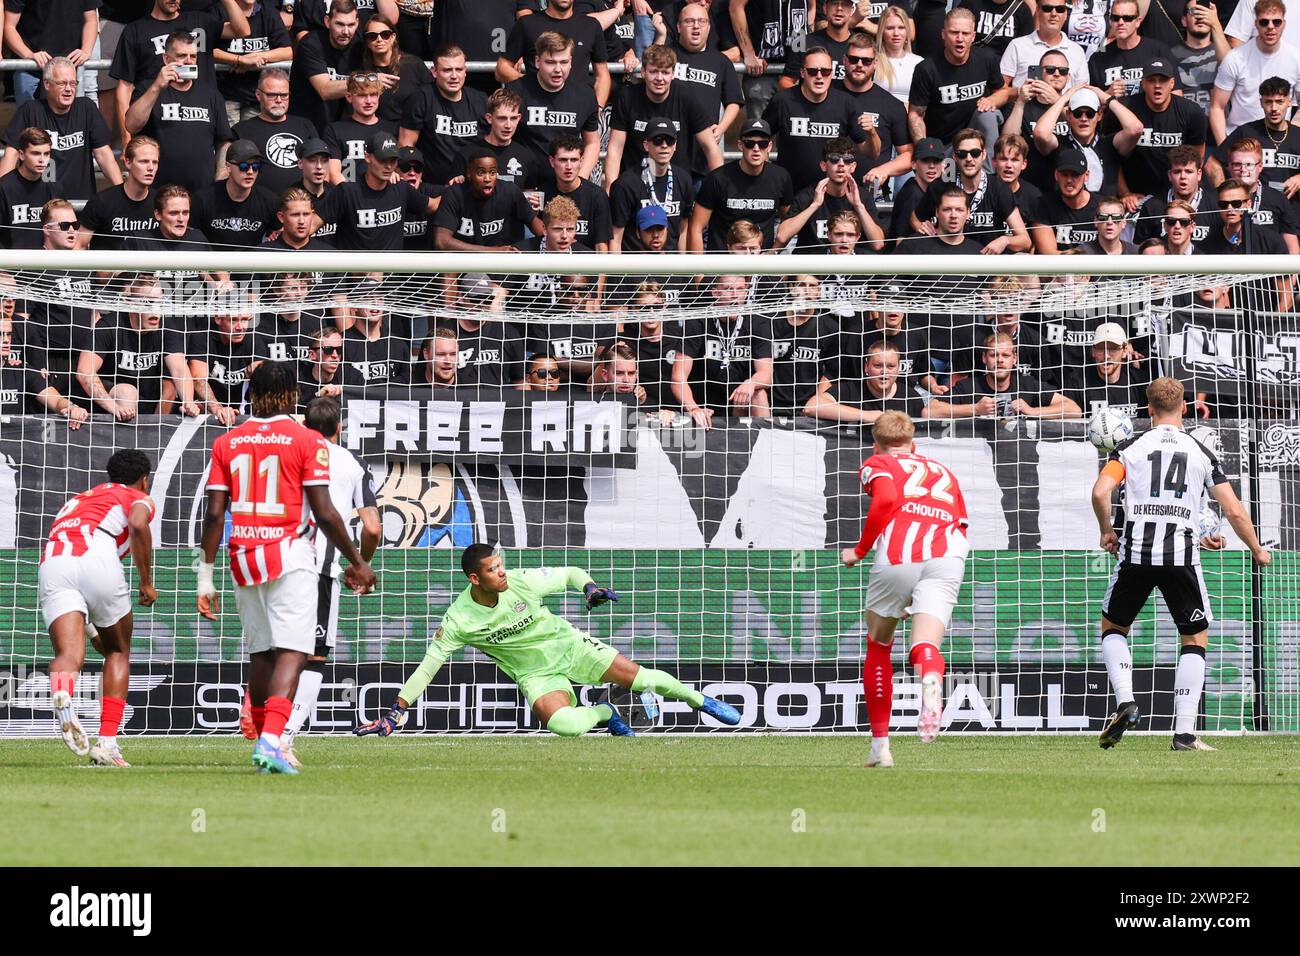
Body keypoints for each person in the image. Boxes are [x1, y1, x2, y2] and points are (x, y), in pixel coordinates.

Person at [356, 544, 741, 738]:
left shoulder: (521, 581)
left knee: (642, 680)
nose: (502, 572)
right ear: (475, 578)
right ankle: (607, 714)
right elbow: (429, 666)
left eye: (501, 564)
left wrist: (589, 587)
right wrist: (397, 711)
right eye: (493, 570)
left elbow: (571, 571)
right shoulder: (459, 619)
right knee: (564, 727)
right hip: (536, 675)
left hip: (570, 647)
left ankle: (700, 700)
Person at [198, 361, 377, 774]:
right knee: (295, 650)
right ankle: (273, 739)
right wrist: (357, 562)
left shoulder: (228, 442)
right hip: (290, 554)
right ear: (294, 395)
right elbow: (326, 512)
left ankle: (264, 738)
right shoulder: (306, 440)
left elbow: (213, 516)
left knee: (261, 652)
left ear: (253, 396)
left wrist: (204, 578)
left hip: (242, 556)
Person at [1090, 377, 1270, 752]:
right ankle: (1185, 734)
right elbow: (1234, 509)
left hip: (1136, 554)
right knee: (1194, 638)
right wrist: (1257, 549)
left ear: (1149, 411)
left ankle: (1125, 701)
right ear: (1184, 408)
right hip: (1180, 558)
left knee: (1113, 627)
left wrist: (1108, 531)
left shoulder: (1131, 447)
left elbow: (1100, 491)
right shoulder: (1199, 451)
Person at [840, 411, 970, 768]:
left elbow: (884, 500)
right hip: (947, 555)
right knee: (925, 645)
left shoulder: (877, 462)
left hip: (899, 555)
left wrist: (859, 550)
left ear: (876, 443)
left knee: (879, 644)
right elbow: (961, 523)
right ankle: (930, 678)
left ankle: (881, 747)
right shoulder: (943, 471)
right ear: (914, 443)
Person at [279, 396, 381, 770]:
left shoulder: (287, 452)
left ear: (305, 425)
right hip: (316, 568)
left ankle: (263, 719)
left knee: (276, 650)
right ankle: (282, 738)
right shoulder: (350, 463)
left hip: (270, 560)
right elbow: (372, 526)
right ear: (339, 428)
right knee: (314, 656)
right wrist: (362, 564)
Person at [41, 450, 156, 767]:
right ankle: (107, 744)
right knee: (119, 652)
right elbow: (137, 524)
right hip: (98, 557)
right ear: (144, 479)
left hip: (53, 562)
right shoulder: (136, 496)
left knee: (68, 655)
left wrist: (89, 626)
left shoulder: (79, 499)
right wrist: (146, 581)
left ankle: (63, 692)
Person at [110, 0, 251, 143]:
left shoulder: (199, 21)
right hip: (158, 125)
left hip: (202, 117)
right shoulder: (135, 31)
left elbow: (243, 31)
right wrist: (126, 138)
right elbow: (124, 87)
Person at [124, 30, 234, 194]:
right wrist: (157, 87)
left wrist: (220, 177)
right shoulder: (147, 88)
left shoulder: (211, 94)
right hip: (158, 192)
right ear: (166, 59)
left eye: (193, 56)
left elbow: (224, 141)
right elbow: (131, 125)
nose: (189, 61)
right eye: (182, 56)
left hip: (202, 192)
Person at [76, 272, 198, 420]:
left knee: (169, 387)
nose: (155, 312)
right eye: (147, 303)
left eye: (159, 303)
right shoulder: (109, 326)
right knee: (127, 392)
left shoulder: (165, 326)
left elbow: (179, 370)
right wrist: (114, 407)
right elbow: (84, 372)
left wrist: (188, 402)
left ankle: (151, 434)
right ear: (130, 302)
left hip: (147, 399)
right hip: (111, 402)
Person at [0, 57, 119, 203]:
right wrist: (2, 195)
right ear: (47, 84)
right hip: (41, 205)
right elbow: (10, 155)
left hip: (80, 202)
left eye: (73, 83)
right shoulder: (30, 110)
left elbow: (104, 155)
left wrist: (122, 193)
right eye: (62, 83)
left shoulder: (86, 108)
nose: (69, 89)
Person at [763, 45, 869, 191]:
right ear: (802, 73)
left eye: (825, 71)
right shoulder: (783, 101)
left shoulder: (847, 104)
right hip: (790, 193)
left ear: (831, 74)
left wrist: (872, 133)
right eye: (813, 71)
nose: (819, 76)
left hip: (832, 193)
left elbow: (872, 152)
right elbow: (760, 138)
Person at [908, 8, 1008, 164]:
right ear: (943, 34)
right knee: (946, 182)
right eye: (954, 33)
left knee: (988, 115)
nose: (960, 38)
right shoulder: (926, 69)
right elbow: (916, 115)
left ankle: (989, 173)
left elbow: (1003, 91)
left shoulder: (986, 58)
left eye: (965, 34)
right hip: (944, 144)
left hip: (975, 139)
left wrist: (992, 100)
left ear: (973, 36)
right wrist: (925, 150)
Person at [671, 273, 771, 427]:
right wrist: (693, 408)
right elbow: (678, 377)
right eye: (729, 289)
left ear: (746, 292)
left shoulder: (758, 322)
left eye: (740, 289)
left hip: (739, 402)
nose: (735, 295)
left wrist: (750, 383)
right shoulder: (697, 322)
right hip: (703, 403)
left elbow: (767, 374)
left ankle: (766, 444)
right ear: (715, 293)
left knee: (759, 392)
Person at [910, 129, 1028, 253]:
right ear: (954, 157)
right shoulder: (940, 186)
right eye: (962, 154)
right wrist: (921, 226)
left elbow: (1025, 240)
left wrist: (1005, 240)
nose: (969, 158)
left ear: (984, 155)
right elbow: (914, 217)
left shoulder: (999, 189)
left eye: (975, 153)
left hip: (988, 264)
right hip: (950, 263)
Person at [316, 131, 439, 250]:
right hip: (354, 269)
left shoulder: (401, 188)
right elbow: (311, 224)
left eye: (393, 160)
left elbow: (433, 205)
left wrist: (456, 187)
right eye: (382, 160)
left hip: (392, 270)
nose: (389, 166)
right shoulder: (347, 191)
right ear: (367, 157)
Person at [688, 118, 793, 250]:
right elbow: (696, 227)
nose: (756, 148)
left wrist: (773, 252)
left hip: (762, 265)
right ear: (740, 145)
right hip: (722, 265)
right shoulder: (717, 178)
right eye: (749, 143)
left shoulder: (781, 177)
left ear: (770, 147)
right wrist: (699, 270)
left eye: (762, 144)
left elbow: (788, 223)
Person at [508, 32, 601, 179]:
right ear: (537, 61)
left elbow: (593, 143)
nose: (558, 69)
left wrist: (579, 179)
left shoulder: (585, 96)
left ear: (571, 62)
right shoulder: (515, 91)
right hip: (524, 182)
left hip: (566, 183)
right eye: (550, 62)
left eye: (563, 62)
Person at [926, 331, 1081, 419]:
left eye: (1005, 356)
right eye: (994, 355)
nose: (1000, 360)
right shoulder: (970, 386)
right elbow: (928, 411)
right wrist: (976, 409)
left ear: (1015, 359)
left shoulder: (1027, 385)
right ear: (984, 358)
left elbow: (1074, 410)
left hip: (1022, 459)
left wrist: (1031, 411)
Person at [399, 44, 488, 187]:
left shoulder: (480, 100)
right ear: (434, 71)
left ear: (465, 71)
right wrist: (412, 177)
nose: (454, 76)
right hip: (433, 186)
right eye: (447, 70)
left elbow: (490, 143)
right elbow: (406, 144)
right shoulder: (421, 98)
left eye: (459, 69)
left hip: (473, 187)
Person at [1210, 0, 1300, 142]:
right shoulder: (1235, 58)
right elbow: (1216, 107)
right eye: (1264, 22)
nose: (1271, 27)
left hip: (1279, 142)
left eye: (1276, 22)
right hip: (1240, 141)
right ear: (1256, 23)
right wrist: (1224, 148)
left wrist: (1293, 140)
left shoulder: (1296, 58)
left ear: (1284, 24)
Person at [1121, 59, 1208, 205]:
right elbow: (1111, 157)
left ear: (1172, 84)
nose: (1157, 86)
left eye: (1163, 80)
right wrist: (1124, 193)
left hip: (1178, 194)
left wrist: (1186, 196)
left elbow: (1196, 158)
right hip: (1134, 195)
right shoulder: (1126, 109)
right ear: (1143, 84)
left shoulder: (1192, 112)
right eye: (1151, 80)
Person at [1031, 85, 1142, 199]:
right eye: (1078, 113)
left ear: (1099, 115)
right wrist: (1064, 99)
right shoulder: (1059, 144)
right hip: (1066, 212)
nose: (1084, 118)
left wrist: (1106, 98)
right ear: (1069, 115)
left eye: (1090, 113)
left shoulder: (1109, 144)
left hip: (1104, 213)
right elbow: (1040, 133)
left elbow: (1135, 129)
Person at [776, 136, 884, 252]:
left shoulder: (862, 197)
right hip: (811, 265)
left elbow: (878, 244)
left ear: (853, 167)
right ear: (823, 165)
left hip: (849, 265)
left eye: (847, 160)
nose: (841, 164)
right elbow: (782, 237)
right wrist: (814, 205)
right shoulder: (808, 195)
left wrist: (858, 206)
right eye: (834, 159)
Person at [498, 0, 612, 108]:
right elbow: (502, 68)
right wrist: (528, 86)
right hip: (537, 111)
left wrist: (597, 108)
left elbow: (602, 75)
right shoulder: (527, 24)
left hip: (576, 112)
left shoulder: (590, 25)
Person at [837, 33, 912, 194]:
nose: (859, 65)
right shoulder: (827, 94)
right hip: (828, 190)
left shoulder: (892, 105)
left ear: (875, 63)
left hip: (871, 194)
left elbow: (909, 155)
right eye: (853, 59)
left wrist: (884, 169)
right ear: (844, 60)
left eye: (866, 61)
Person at [433, 149, 544, 252]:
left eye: (492, 172)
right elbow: (441, 241)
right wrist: (493, 251)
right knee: (449, 272)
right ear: (469, 173)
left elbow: (533, 222)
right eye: (481, 173)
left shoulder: (509, 191)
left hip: (503, 264)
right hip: (466, 261)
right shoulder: (454, 194)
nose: (487, 179)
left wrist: (550, 237)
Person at [233, 69, 321, 197]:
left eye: (284, 95)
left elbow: (322, 165)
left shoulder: (305, 125)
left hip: (304, 204)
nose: (279, 100)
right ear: (258, 95)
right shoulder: (242, 130)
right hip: (261, 205)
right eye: (272, 95)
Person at [609, 118, 693, 251]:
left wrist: (683, 269)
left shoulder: (684, 179)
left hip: (671, 267)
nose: (664, 145)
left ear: (675, 145)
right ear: (646, 145)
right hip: (635, 267)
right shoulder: (626, 184)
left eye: (669, 140)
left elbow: (683, 231)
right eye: (658, 140)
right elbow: (616, 238)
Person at [1207, 77, 1300, 194]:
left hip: (1292, 208)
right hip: (1254, 207)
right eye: (1268, 102)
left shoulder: (1298, 135)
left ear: (1289, 102)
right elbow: (1212, 164)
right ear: (1261, 103)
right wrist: (1225, 196)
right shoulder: (1246, 132)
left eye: (1279, 102)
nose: (1274, 108)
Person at [2, 0, 99, 107]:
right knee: (30, 121)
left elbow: (91, 19)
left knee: (69, 122)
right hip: (32, 68)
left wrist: (86, 49)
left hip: (70, 70)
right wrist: (28, 54)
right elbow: (9, 26)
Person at [289, 0, 367, 133]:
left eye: (351, 25)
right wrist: (369, 81)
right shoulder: (310, 44)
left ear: (358, 23)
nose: (345, 31)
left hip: (343, 126)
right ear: (327, 21)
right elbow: (325, 90)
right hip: (308, 125)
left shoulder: (361, 44)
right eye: (339, 24)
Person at [806, 338, 926, 424]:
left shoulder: (911, 398)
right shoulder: (850, 390)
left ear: (899, 368)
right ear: (866, 367)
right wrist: (865, 415)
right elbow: (811, 407)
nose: (884, 372)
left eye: (890, 366)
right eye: (878, 366)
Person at [0, 310, 88, 426]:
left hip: (14, 440)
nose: (6, 340)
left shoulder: (22, 371)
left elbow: (56, 400)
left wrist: (72, 407)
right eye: (0, 334)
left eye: (9, 334)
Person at [214, 0, 293, 127]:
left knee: (254, 142)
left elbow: (287, 51)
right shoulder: (218, 10)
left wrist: (254, 58)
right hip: (226, 94)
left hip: (258, 96)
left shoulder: (268, 11)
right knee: (228, 143)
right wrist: (238, 60)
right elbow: (207, 50)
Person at [729, 0, 812, 119]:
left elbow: (811, 7)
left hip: (796, 69)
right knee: (759, 131)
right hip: (761, 69)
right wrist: (749, 53)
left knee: (795, 129)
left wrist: (804, 46)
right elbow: (735, 7)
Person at [191, 140, 277, 248]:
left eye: (255, 166)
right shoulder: (203, 199)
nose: (250, 172)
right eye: (244, 166)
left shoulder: (269, 201)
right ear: (228, 167)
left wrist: (276, 234)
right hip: (213, 262)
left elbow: (280, 232)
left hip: (252, 263)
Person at [1088, 0, 1178, 98]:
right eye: (1115, 18)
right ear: (1110, 21)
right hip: (1112, 112)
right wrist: (1107, 95)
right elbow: (1090, 107)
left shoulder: (1159, 51)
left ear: (1138, 22)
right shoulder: (1098, 58)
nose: (1120, 22)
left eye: (1127, 18)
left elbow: (1177, 93)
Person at [539, 135, 613, 252]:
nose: (569, 166)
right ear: (552, 161)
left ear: (581, 161)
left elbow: (601, 244)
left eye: (573, 160)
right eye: (563, 160)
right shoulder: (542, 193)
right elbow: (538, 237)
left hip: (586, 265)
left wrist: (601, 270)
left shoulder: (597, 196)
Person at [324, 71, 397, 185]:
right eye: (362, 95)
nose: (368, 101)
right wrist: (352, 196)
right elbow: (334, 173)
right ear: (349, 97)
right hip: (348, 195)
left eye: (373, 94)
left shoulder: (392, 130)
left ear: (379, 96)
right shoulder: (335, 130)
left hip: (383, 197)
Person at [360, 12, 431, 125]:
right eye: (372, 36)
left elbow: (430, 99)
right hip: (375, 131)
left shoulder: (414, 64)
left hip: (411, 129)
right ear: (367, 41)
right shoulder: (361, 69)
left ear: (393, 37)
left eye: (385, 34)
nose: (379, 39)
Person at [999, 0, 1088, 88]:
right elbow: (1000, 89)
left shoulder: (1077, 51)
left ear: (1065, 14)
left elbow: (1082, 92)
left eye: (1060, 9)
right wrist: (1022, 92)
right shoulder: (1017, 45)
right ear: (1037, 11)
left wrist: (1058, 100)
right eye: (1047, 8)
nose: (1054, 14)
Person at [1065, 322, 1146, 419]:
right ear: (1093, 352)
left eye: (1113, 349)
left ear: (1124, 351)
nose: (1106, 356)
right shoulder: (1076, 383)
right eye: (1100, 348)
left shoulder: (1139, 381)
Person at [0, 128, 62, 250]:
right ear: (21, 155)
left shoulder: (55, 187)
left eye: (47, 154)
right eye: (35, 153)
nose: (42, 159)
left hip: (48, 264)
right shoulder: (4, 187)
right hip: (11, 264)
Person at [1029, 147, 1100, 253]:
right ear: (1056, 175)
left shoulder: (1101, 206)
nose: (1069, 180)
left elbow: (1111, 250)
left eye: (1075, 175)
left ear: (1086, 176)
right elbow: (1049, 255)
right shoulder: (1043, 205)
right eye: (1064, 174)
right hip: (1056, 269)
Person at [1172, 0, 1231, 112]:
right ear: (1184, 21)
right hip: (1188, 124)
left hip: (1220, 124)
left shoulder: (1221, 50)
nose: (1200, 16)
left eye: (1205, 12)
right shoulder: (1171, 54)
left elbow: (1231, 67)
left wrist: (1215, 24)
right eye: (1194, 11)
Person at [897, 184, 985, 255]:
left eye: (959, 210)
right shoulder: (913, 246)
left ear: (968, 213)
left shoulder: (978, 252)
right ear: (937, 212)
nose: (953, 215)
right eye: (947, 209)